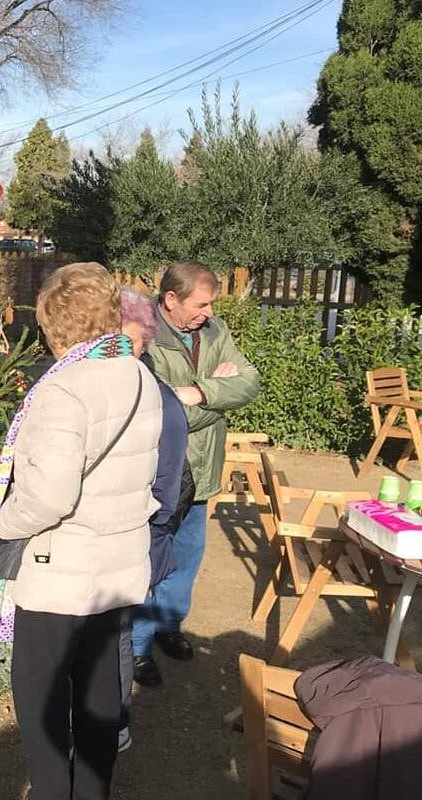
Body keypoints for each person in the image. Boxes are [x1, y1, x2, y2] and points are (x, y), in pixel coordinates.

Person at [0, 263, 162, 800]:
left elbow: (49, 496)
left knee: (41, 692)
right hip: (118, 563)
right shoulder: (140, 377)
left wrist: (1, 522)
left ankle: (49, 791)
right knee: (97, 689)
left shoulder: (62, 390)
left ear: (56, 326)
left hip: (61, 570)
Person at [131, 261, 260, 687]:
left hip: (202, 471)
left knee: (188, 557)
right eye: (201, 304)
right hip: (163, 473)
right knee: (151, 558)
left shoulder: (216, 331)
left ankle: (170, 626)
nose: (208, 312)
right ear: (171, 299)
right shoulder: (142, 335)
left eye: (211, 304)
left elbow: (251, 381)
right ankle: (137, 646)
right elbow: (159, 410)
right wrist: (216, 399)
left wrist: (201, 391)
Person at [116, 287, 192, 749]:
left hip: (134, 537)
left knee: (115, 637)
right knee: (111, 637)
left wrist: (147, 527)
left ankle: (115, 722)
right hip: (127, 536)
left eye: (133, 339)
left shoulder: (155, 396)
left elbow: (170, 487)